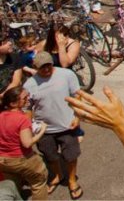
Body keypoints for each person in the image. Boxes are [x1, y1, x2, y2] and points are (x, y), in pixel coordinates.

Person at [24, 52, 82, 199]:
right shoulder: (29, 84)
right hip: (44, 129)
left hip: (67, 126)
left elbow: (78, 96)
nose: (47, 69)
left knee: (71, 156)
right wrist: (28, 128)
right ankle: (58, 175)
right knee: (50, 156)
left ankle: (72, 179)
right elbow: (28, 108)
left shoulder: (67, 75)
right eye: (42, 67)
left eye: (49, 65)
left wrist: (77, 117)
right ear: (35, 67)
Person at [0, 86, 48, 200]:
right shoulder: (22, 119)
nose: (28, 99)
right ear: (12, 103)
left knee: (12, 183)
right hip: (22, 159)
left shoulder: (1, 115)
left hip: (3, 160)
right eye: (24, 98)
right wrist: (42, 131)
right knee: (38, 183)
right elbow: (27, 143)